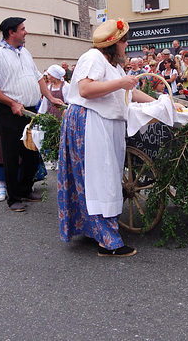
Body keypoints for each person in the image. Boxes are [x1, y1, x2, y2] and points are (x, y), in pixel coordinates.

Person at [58, 18, 160, 257]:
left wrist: (160, 104)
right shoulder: (92, 58)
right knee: (100, 179)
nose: (127, 44)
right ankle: (107, 241)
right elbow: (85, 90)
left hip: (104, 121)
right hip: (90, 120)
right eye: (124, 40)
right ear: (114, 44)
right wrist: (120, 83)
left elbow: (129, 91)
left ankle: (94, 229)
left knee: (102, 177)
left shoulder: (113, 64)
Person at [0, 17, 63, 212]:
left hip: (30, 110)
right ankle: (13, 197)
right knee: (11, 154)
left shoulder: (25, 52)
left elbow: (38, 78)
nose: (26, 32)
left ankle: (26, 189)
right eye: (22, 29)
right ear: (12, 32)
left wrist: (51, 98)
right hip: (8, 112)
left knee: (32, 152)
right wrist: (11, 103)